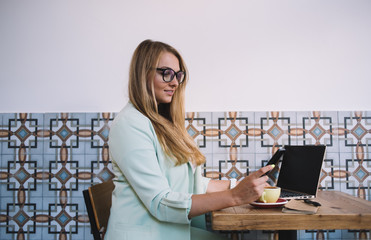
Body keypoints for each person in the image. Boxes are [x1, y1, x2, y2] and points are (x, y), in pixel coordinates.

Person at [105, 39, 273, 240]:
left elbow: (191, 183)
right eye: (166, 73)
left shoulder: (160, 122)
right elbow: (161, 202)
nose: (175, 82)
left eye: (178, 75)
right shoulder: (129, 125)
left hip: (166, 232)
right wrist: (235, 196)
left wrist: (239, 185)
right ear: (143, 73)